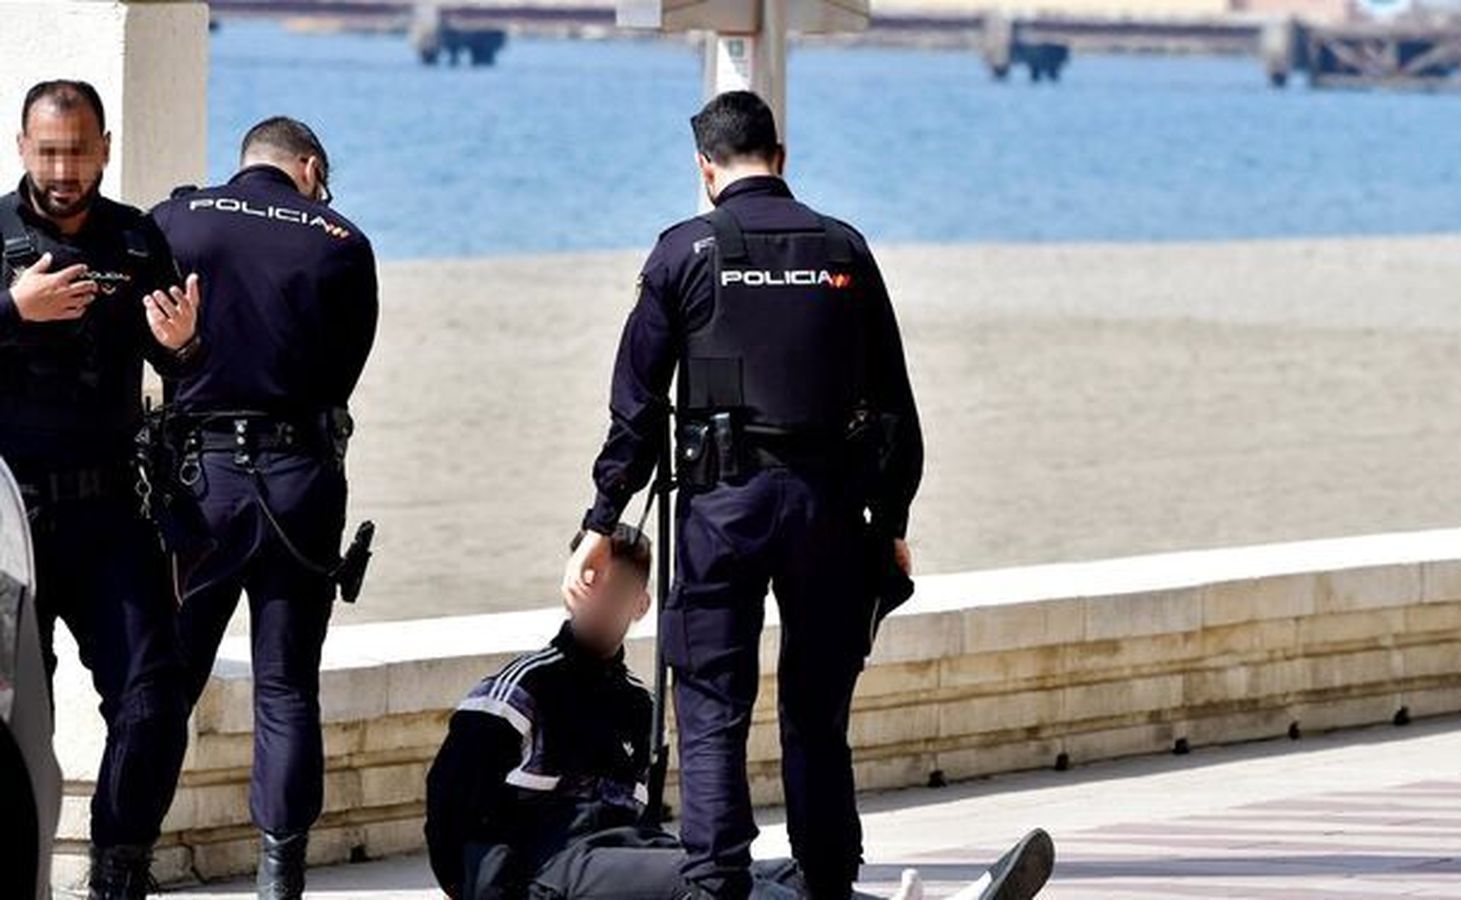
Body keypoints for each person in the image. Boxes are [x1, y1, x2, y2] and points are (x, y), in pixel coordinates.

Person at [562, 90, 924, 900]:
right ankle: (829, 883)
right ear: (782, 159)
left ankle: (716, 883)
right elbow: (894, 404)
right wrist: (891, 518)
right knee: (816, 715)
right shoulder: (845, 250)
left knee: (712, 706)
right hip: (828, 510)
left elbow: (636, 405)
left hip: (721, 509)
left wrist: (602, 518)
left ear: (704, 168)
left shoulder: (683, 254)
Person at [428, 529, 1054, 900]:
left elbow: (638, 820)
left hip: (621, 850)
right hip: (547, 864)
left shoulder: (637, 705)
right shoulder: (523, 688)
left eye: (617, 590)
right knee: (708, 883)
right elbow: (449, 810)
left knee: (784, 872)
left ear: (642, 603)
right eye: (592, 583)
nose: (602, 601)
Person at [147, 116, 379, 900]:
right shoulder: (341, 242)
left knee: (167, 683)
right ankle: (280, 880)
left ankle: (126, 859)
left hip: (200, 484)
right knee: (285, 687)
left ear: (246, 163)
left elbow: (145, 337)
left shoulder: (177, 219)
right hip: (298, 486)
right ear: (307, 168)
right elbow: (344, 374)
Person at [0, 79, 202, 899]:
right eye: (48, 150)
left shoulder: (136, 237)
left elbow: (181, 367)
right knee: (14, 721)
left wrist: (184, 349)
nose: (63, 168)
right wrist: (13, 309)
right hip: (9, 517)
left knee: (154, 696)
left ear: (105, 148)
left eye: (79, 150)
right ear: (22, 147)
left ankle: (121, 866)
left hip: (111, 511)